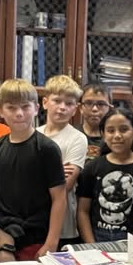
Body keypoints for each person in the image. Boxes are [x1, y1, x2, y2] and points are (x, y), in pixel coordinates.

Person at [0, 79, 66, 261]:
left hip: (37, 238)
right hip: (5, 237)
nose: (19, 113)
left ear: (36, 108)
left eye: (25, 107)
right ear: (0, 111)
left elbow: (59, 198)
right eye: (11, 107)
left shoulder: (47, 148)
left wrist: (51, 243)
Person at [77, 108, 133, 243]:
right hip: (96, 240)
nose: (117, 135)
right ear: (103, 135)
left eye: (123, 129)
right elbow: (82, 211)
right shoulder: (92, 168)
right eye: (110, 130)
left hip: (132, 240)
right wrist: (91, 245)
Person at [38, 74, 88, 245]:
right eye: (57, 101)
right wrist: (56, 171)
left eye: (69, 104)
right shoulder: (34, 134)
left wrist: (36, 172)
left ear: (75, 109)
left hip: (64, 228)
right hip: (34, 222)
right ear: (45, 102)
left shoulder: (77, 139)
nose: (62, 107)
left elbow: (65, 185)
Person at [78, 82, 112, 160]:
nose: (94, 109)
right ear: (80, 108)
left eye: (101, 104)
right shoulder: (72, 136)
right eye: (88, 103)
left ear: (109, 109)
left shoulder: (114, 140)